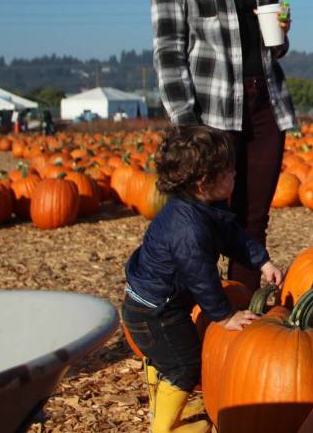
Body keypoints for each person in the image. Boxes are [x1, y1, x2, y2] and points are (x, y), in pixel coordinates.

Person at [151, 0, 295, 294]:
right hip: (211, 111)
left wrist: (281, 36)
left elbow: (271, 50)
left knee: (253, 220)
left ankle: (240, 315)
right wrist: (187, 127)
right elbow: (168, 52)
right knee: (203, 221)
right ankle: (190, 319)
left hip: (265, 105)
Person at [123, 125, 283, 433]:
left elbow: (231, 236)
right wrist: (224, 316)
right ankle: (164, 427)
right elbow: (202, 278)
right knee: (185, 365)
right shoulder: (187, 230)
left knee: (169, 359)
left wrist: (262, 261)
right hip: (155, 312)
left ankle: (167, 403)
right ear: (202, 183)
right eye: (227, 171)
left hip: (161, 305)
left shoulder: (205, 208)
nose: (234, 173)